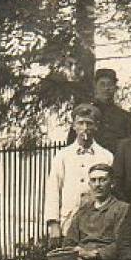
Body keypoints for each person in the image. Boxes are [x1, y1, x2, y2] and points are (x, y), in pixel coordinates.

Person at [44, 103, 113, 241]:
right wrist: (53, 223)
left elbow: (110, 191)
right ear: (74, 126)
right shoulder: (63, 156)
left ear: (96, 126)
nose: (85, 128)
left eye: (89, 123)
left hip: (96, 223)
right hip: (68, 222)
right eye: (80, 123)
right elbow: (53, 190)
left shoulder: (106, 156)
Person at [91, 68, 131, 154]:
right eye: (102, 84)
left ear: (115, 87)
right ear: (95, 87)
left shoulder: (125, 117)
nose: (106, 88)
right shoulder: (87, 114)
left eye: (110, 84)